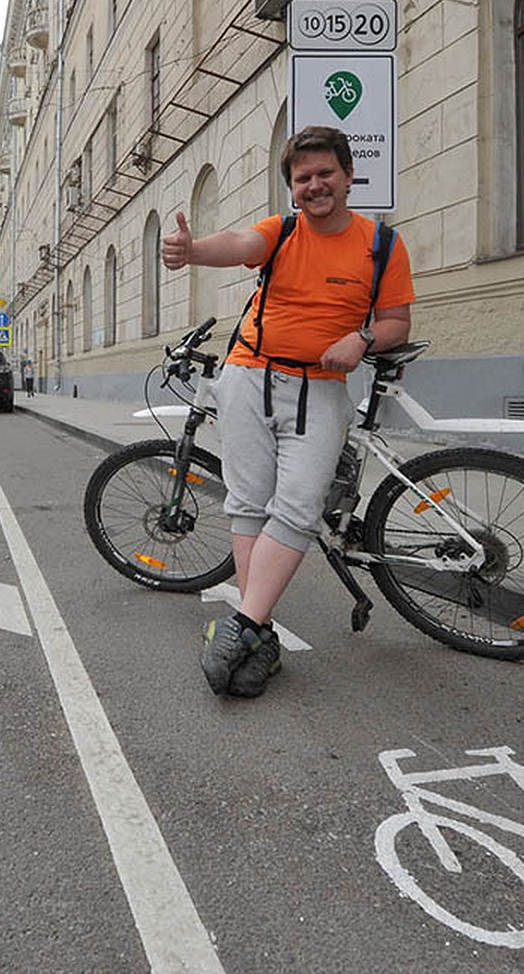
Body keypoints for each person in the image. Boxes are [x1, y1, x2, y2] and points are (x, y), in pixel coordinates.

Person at [161, 125, 414, 698]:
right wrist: (193, 250)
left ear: (349, 176)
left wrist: (364, 339)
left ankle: (242, 623)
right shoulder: (283, 231)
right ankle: (262, 633)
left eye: (326, 173)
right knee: (249, 506)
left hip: (322, 389)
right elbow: (241, 244)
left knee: (298, 508)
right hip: (250, 376)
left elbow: (398, 320)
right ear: (292, 189)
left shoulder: (382, 245)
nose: (315, 185)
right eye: (303, 179)